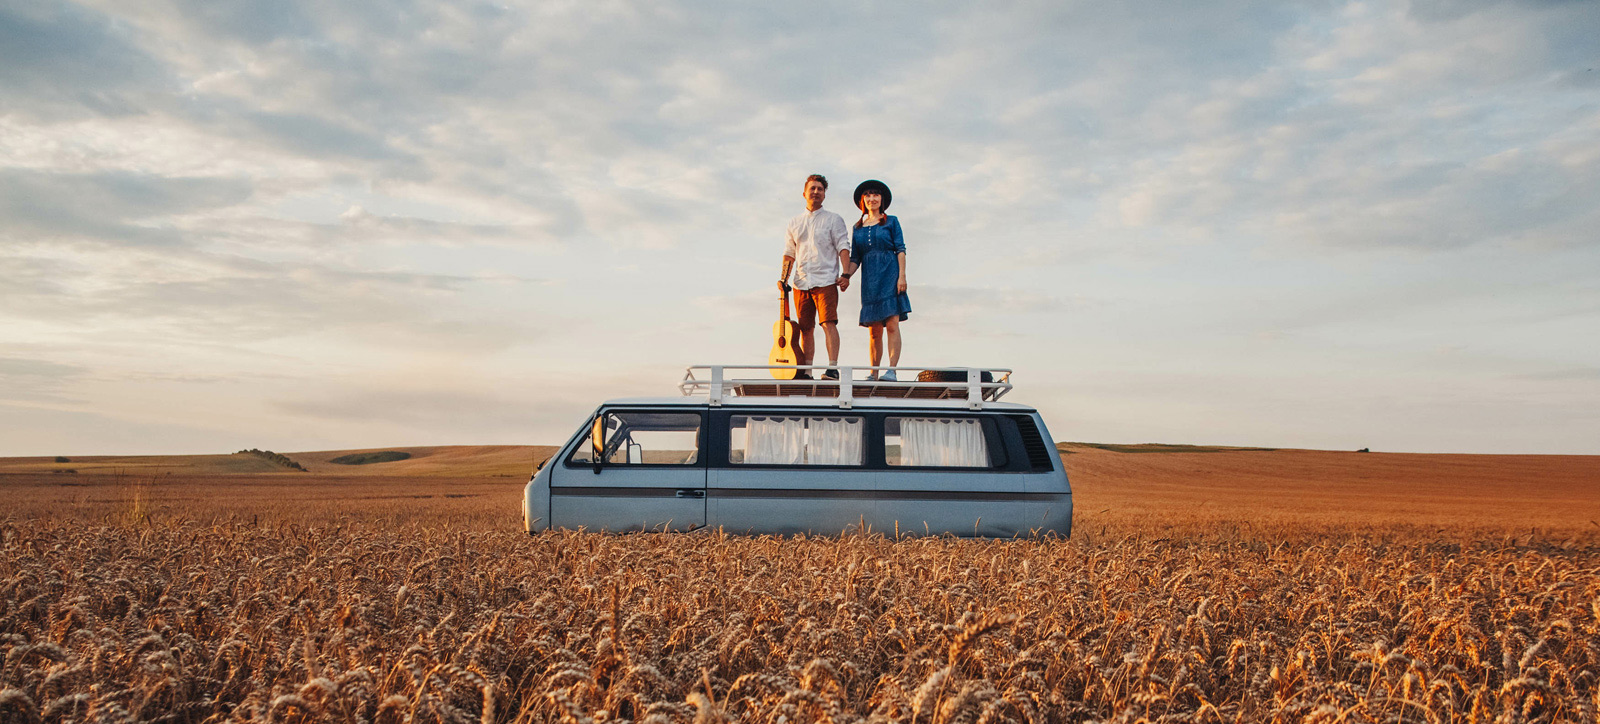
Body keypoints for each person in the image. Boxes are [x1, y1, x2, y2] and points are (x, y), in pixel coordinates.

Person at [779, 174, 853, 380]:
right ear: (804, 193)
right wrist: (783, 279)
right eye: (812, 188)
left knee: (828, 322)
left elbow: (843, 246)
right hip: (801, 281)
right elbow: (789, 252)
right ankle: (806, 371)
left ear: (824, 194)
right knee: (805, 328)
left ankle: (832, 368)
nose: (816, 192)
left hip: (826, 279)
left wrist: (846, 274)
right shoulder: (794, 222)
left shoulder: (833, 219)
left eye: (820, 189)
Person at [850, 179, 910, 381]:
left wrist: (902, 276)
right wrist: (845, 276)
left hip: (890, 273)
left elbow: (900, 249)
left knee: (892, 323)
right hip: (869, 279)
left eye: (875, 194)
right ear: (862, 200)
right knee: (874, 330)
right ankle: (873, 373)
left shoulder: (891, 221)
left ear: (881, 199)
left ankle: (891, 370)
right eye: (867, 195)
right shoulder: (857, 227)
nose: (871, 198)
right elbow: (855, 258)